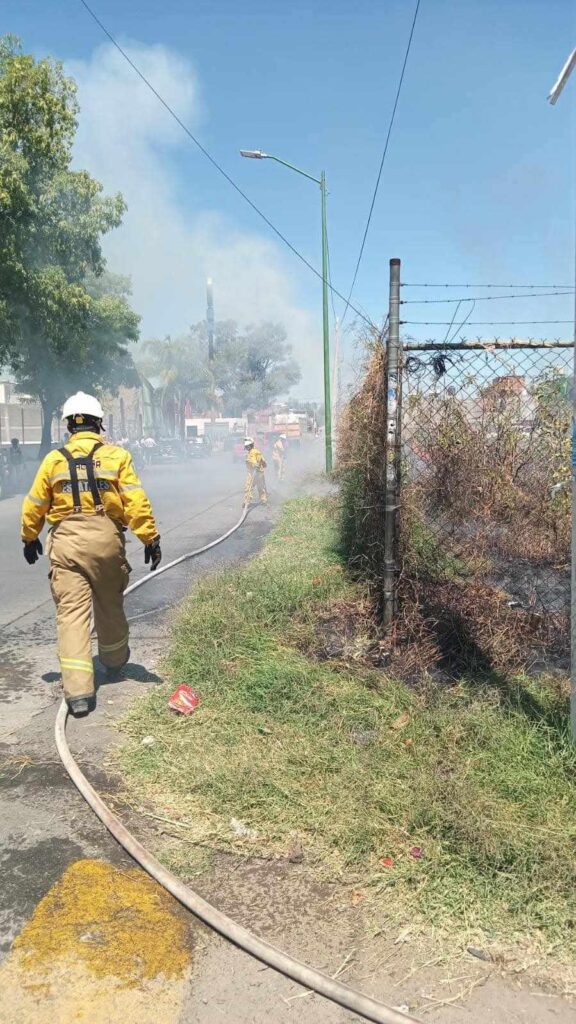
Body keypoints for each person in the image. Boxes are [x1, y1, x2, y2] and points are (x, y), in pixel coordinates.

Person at [20, 391, 162, 718]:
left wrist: (29, 537)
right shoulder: (117, 457)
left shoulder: (54, 460)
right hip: (107, 538)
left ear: (69, 425)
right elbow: (135, 502)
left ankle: (79, 693)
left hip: (66, 542)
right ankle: (113, 662)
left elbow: (35, 504)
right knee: (110, 603)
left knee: (71, 615)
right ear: (99, 423)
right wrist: (150, 539)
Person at [244, 437, 268, 506]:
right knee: (261, 487)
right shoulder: (257, 451)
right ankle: (263, 500)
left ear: (250, 445)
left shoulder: (251, 452)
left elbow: (253, 460)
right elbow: (263, 461)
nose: (246, 447)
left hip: (253, 473)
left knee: (248, 487)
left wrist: (255, 465)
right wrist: (263, 465)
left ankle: (247, 501)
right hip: (260, 473)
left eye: (247, 446)